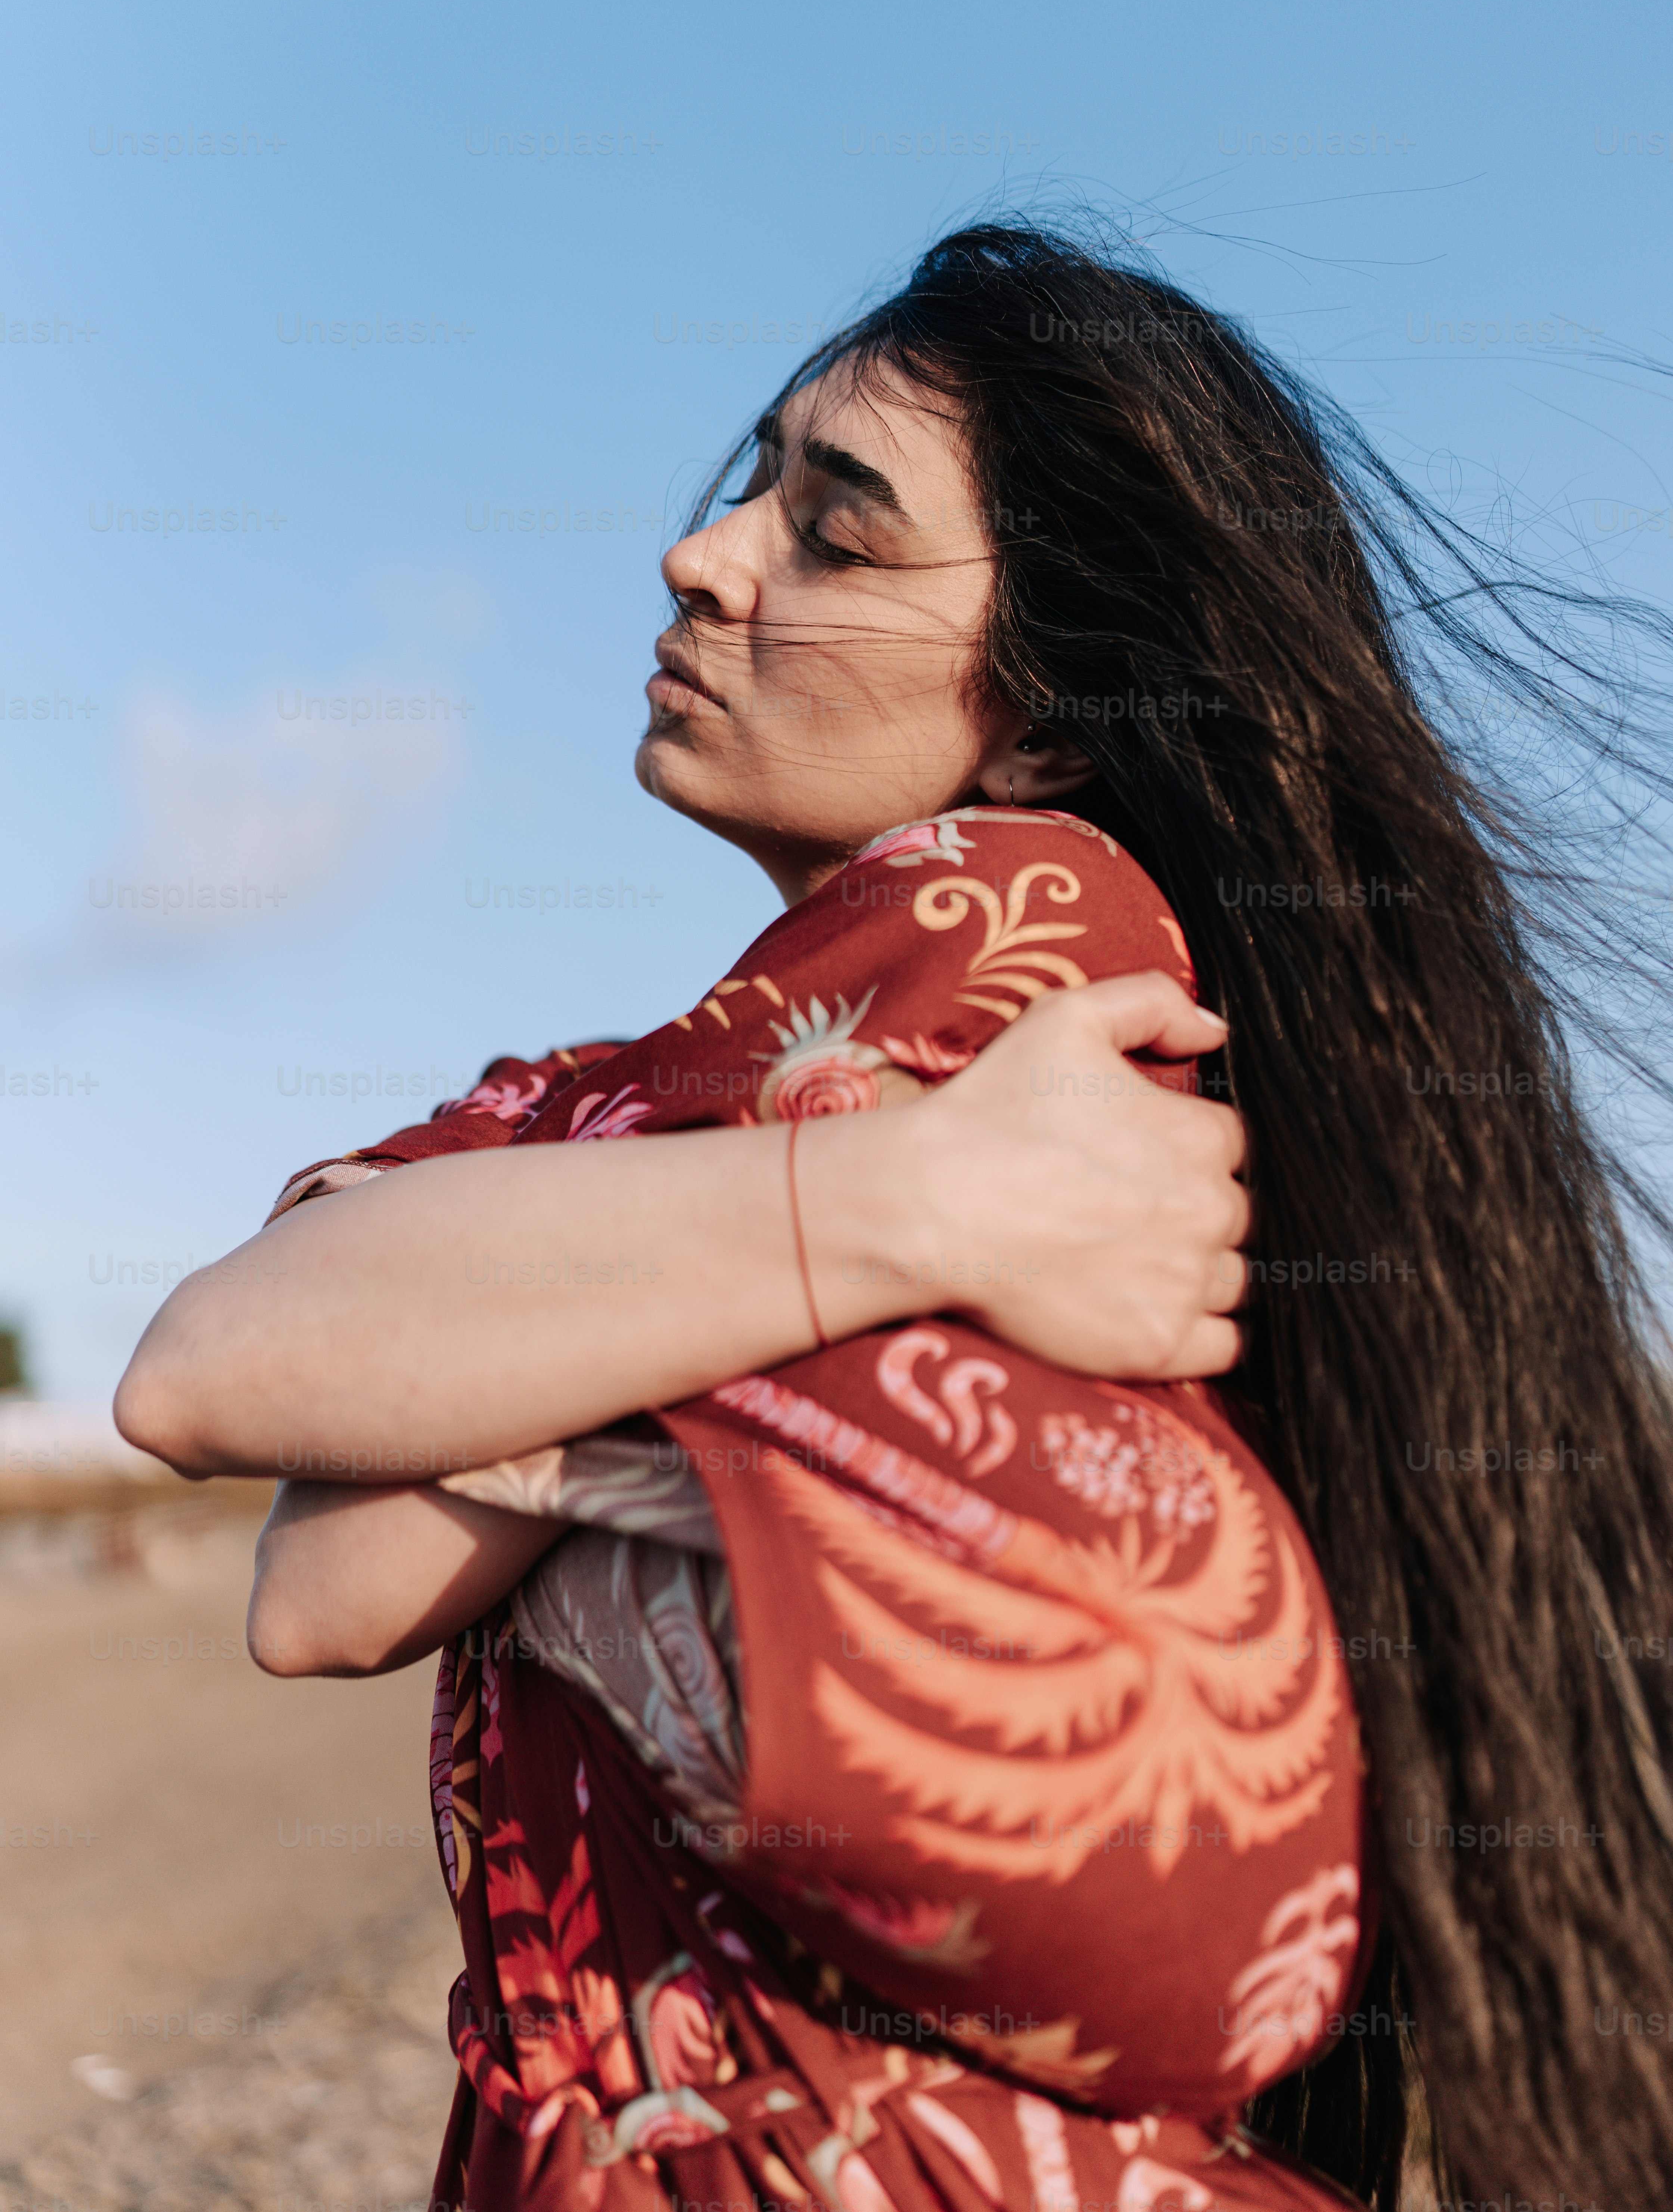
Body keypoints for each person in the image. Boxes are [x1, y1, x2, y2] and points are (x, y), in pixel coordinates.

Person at [116, 222, 1673, 2212]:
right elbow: (276, 1438)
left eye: (835, 535)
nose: (708, 554)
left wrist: (624, 1272)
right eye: (754, 482)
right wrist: (911, 1193)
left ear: (1046, 720)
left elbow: (285, 1485)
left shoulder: (997, 938)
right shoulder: (865, 1113)